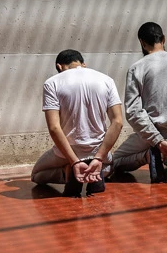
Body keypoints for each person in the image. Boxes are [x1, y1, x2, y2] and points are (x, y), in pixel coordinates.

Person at [111, 22, 167, 183]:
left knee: (112, 162)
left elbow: (133, 111)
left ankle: (149, 155)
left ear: (142, 42)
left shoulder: (137, 68)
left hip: (149, 136)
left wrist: (157, 141)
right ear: (164, 39)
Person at [31, 49, 125, 197]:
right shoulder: (107, 80)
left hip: (69, 151)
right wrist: (99, 157)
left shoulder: (52, 83)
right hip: (97, 150)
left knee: (37, 175)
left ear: (59, 66)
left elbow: (54, 127)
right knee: (109, 168)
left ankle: (68, 170)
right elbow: (118, 122)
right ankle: (96, 168)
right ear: (83, 64)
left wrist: (74, 161)